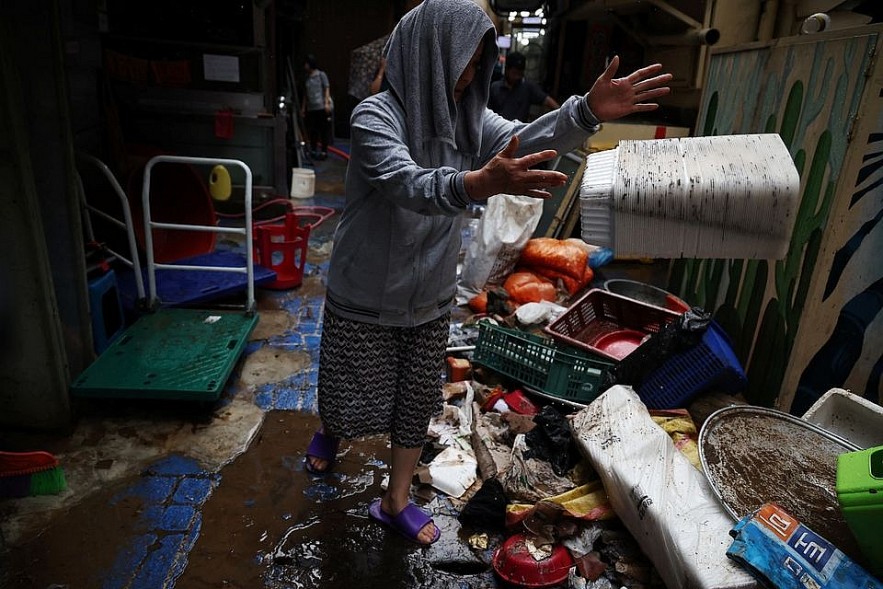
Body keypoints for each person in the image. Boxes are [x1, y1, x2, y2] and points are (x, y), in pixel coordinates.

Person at [304, 0, 671, 546]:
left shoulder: (466, 119)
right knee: (349, 393)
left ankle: (394, 500)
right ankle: (333, 432)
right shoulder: (374, 117)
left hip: (427, 293)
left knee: (414, 400)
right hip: (366, 290)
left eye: (479, 65)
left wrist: (585, 111)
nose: (472, 77)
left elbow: (528, 138)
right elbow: (408, 183)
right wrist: (476, 185)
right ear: (431, 55)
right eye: (464, 63)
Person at [488, 51, 560, 122]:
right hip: (499, 130)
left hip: (519, 131)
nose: (517, 77)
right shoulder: (495, 87)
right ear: (507, 69)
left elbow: (548, 101)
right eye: (514, 73)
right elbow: (487, 113)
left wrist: (562, 114)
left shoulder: (528, 87)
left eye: (520, 74)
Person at [301, 54, 332, 159]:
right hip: (311, 107)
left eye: (306, 63)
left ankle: (324, 151)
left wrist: (326, 102)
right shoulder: (307, 78)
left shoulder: (321, 75)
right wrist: (303, 108)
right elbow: (305, 94)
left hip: (321, 106)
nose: (305, 66)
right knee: (313, 130)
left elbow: (326, 88)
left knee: (323, 129)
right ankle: (313, 149)